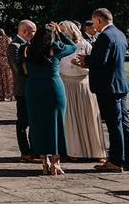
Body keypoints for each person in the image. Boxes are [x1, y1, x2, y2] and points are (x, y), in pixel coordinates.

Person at [78, 8, 129, 172]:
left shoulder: (105, 37)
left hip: (108, 86)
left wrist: (85, 60)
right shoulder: (120, 34)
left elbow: (101, 60)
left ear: (99, 20)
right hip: (119, 83)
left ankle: (116, 160)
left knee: (114, 123)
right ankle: (127, 157)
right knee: (124, 122)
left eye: (94, 23)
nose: (94, 26)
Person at [22, 22, 75, 175]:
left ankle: (44, 162)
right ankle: (55, 162)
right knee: (56, 123)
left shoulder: (28, 49)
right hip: (53, 86)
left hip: (33, 88)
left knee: (37, 124)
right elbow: (72, 46)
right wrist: (60, 32)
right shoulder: (56, 48)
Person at [56, 21, 107, 161]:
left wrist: (81, 65)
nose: (61, 33)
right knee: (70, 119)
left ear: (71, 30)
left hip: (83, 83)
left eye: (63, 30)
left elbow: (95, 66)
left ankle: (96, 151)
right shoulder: (59, 46)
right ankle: (74, 152)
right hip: (65, 84)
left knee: (89, 117)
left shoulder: (84, 44)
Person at [8, 20, 38, 162]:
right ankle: (25, 151)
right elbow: (18, 69)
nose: (35, 34)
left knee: (33, 121)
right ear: (25, 32)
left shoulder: (30, 45)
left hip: (32, 88)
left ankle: (34, 150)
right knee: (23, 121)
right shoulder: (14, 46)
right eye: (33, 31)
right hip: (23, 89)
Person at [0, 28, 15, 102]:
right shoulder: (8, 40)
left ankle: (1, 95)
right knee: (8, 79)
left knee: (0, 79)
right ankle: (10, 95)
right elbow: (12, 50)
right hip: (7, 62)